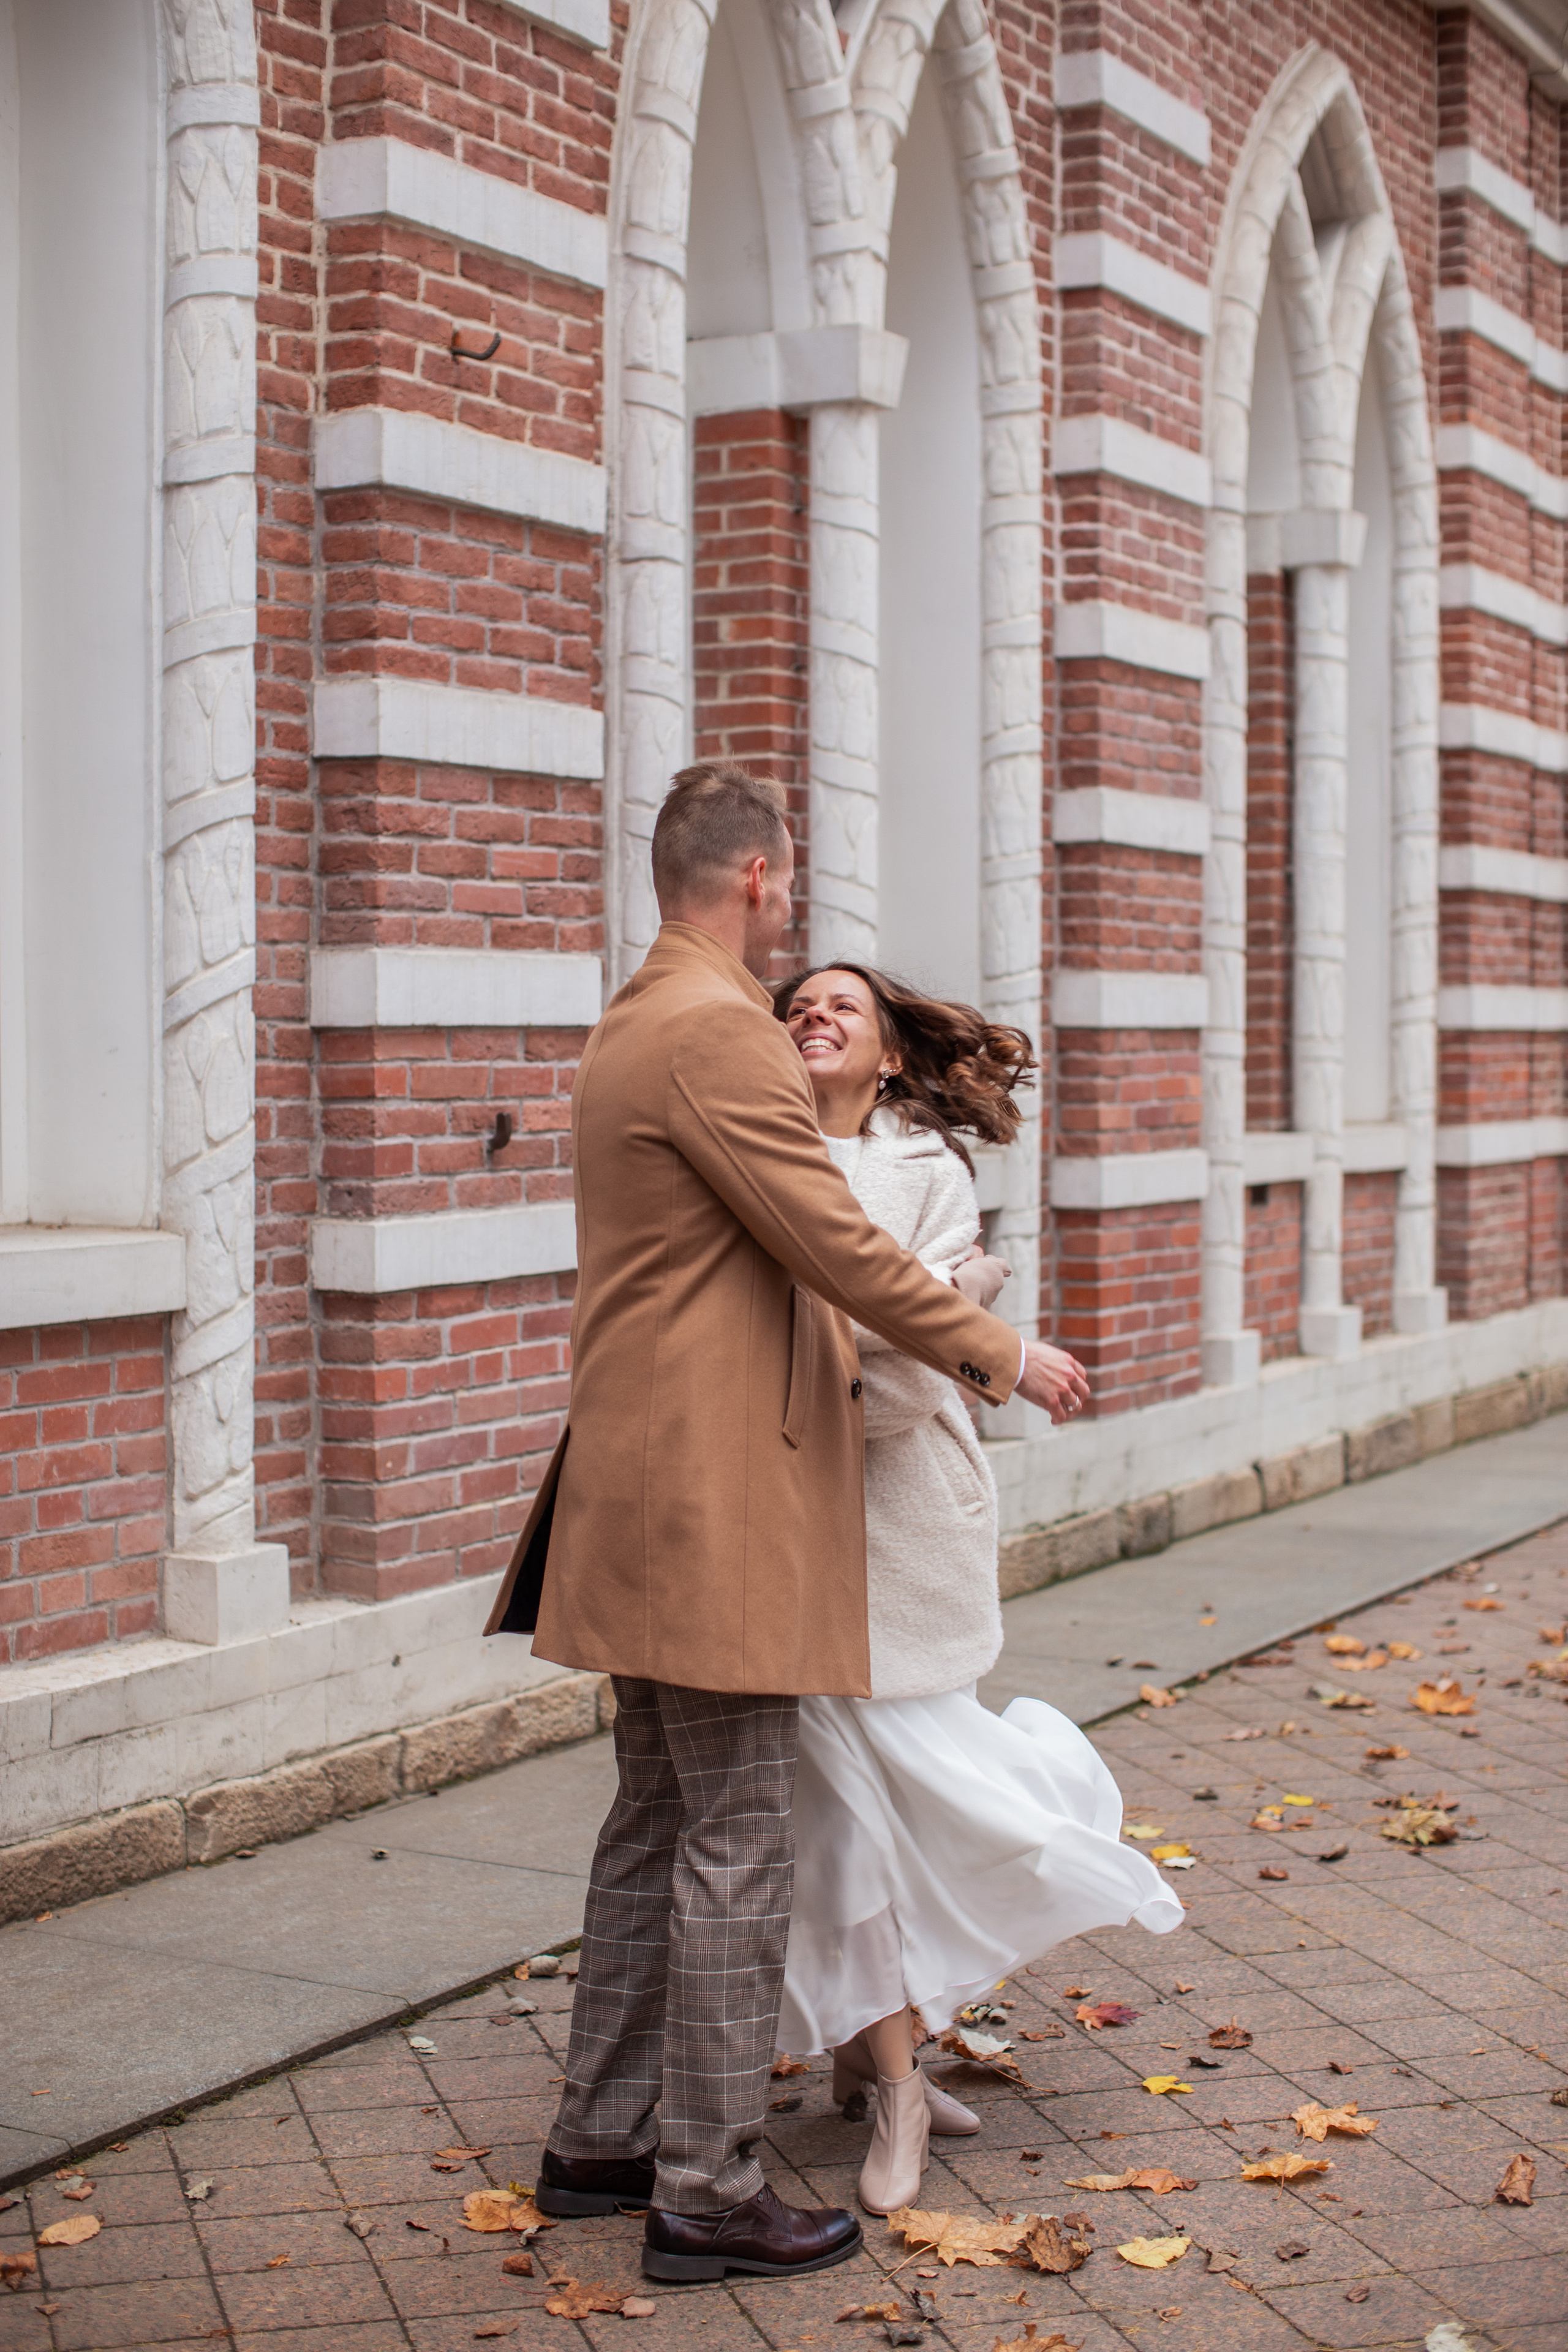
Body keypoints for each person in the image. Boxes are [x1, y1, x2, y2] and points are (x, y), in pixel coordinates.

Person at [483, 764, 1090, 2284]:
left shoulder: (631, 1021)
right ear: (759, 876)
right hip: (716, 1508)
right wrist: (995, 1351)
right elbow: (829, 1244)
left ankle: (597, 2142)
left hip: (630, 1493)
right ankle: (700, 2189)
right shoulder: (718, 1037)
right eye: (790, 877)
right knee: (740, 1838)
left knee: (651, 1826)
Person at [771, 962, 1183, 2217]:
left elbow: (897, 1400)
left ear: (891, 1056)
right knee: (833, 1827)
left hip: (891, 1547)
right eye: (796, 1005)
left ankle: (879, 2072)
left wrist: (939, 1333)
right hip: (775, 1551)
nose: (814, 1015)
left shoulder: (927, 1176)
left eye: (844, 1006)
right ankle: (885, 2075)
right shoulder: (755, 1153)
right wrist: (954, 1312)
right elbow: (887, 1355)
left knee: (901, 1812)